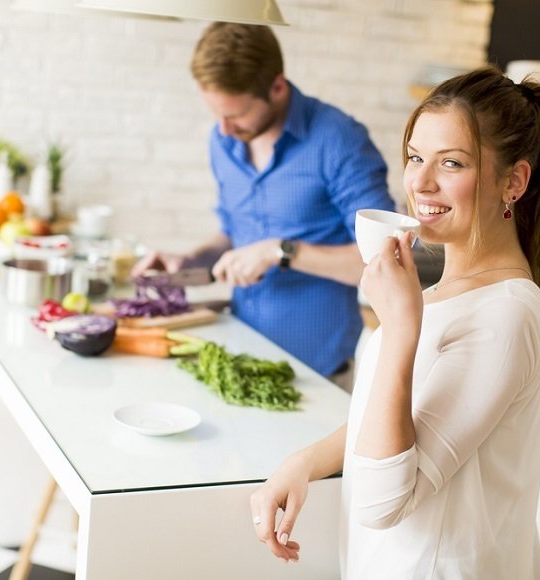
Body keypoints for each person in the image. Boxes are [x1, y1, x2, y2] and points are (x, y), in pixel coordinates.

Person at [249, 66, 540, 579]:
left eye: (451, 162)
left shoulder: (506, 313)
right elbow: (413, 415)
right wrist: (308, 460)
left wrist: (402, 330)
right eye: (414, 158)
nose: (421, 182)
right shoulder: (449, 292)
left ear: (513, 182)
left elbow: (384, 502)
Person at [132, 23, 396, 388]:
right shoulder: (223, 142)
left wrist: (282, 251)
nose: (223, 129)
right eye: (217, 115)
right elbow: (234, 232)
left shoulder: (340, 141)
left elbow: (385, 261)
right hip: (242, 358)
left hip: (316, 376)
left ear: (277, 87)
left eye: (236, 116)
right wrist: (191, 261)